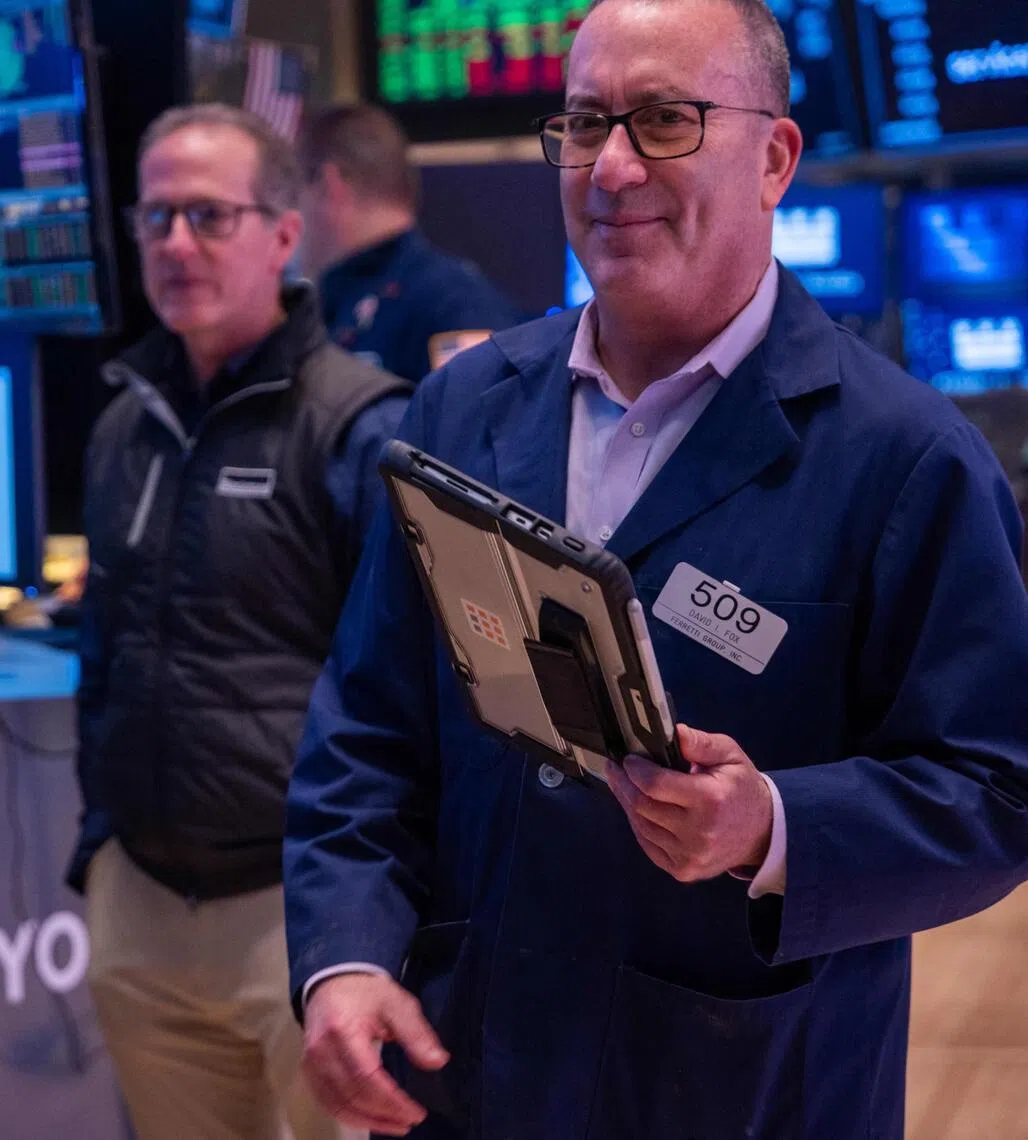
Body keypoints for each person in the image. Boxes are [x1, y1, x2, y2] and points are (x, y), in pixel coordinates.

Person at [283, 2, 1028, 1138]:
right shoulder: (460, 409)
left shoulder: (904, 459)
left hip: (742, 1087)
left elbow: (996, 789)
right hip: (472, 1076)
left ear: (775, 157)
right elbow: (367, 728)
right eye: (586, 123)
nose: (614, 166)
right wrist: (342, 957)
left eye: (665, 120)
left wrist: (773, 823)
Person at [66, 104, 408, 1140]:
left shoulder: (361, 424)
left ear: (283, 233)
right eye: (157, 218)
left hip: (296, 911)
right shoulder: (124, 422)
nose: (177, 245)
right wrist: (99, 855)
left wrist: (371, 918)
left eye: (209, 216)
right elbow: (103, 654)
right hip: (143, 907)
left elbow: (411, 695)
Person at [298, 102, 522, 383]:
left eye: (295, 195)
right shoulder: (324, 306)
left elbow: (481, 422)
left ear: (330, 186)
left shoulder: (454, 305)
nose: (292, 218)